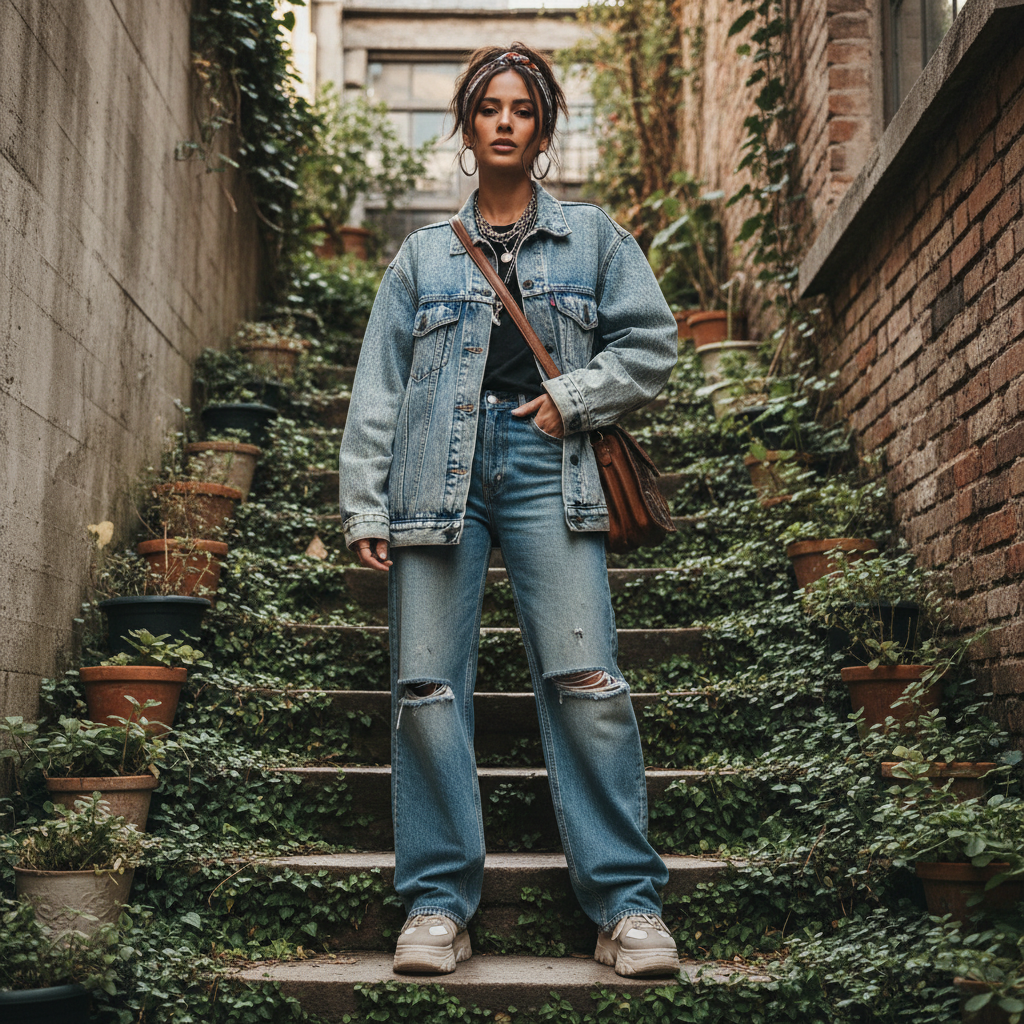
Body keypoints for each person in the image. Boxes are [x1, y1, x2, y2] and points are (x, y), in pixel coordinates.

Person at [338, 44, 680, 979]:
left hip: (547, 465)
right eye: (487, 107)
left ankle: (627, 906)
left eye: (521, 109)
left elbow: (652, 346)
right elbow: (381, 388)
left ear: (542, 128)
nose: (502, 121)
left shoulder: (596, 239)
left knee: (586, 682)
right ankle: (439, 905)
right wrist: (366, 500)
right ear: (466, 125)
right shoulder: (420, 257)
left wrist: (574, 396)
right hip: (432, 477)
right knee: (424, 691)